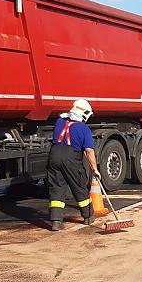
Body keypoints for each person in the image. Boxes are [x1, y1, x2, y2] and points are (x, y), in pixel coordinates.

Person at [47, 99, 101, 231]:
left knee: (57, 188)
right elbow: (89, 151)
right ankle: (88, 216)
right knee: (79, 185)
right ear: (85, 114)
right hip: (71, 158)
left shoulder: (59, 122)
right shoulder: (84, 128)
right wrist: (95, 169)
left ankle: (56, 221)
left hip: (54, 155)